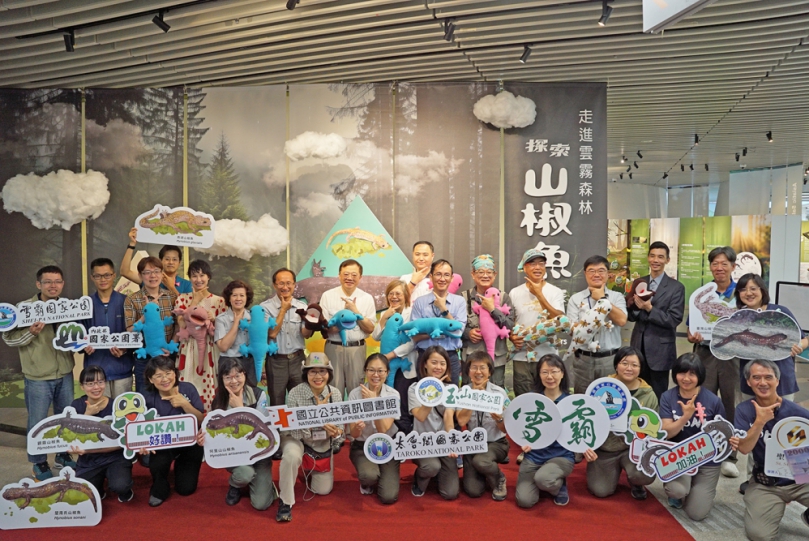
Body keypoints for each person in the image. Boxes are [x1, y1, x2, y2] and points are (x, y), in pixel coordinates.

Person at [3, 265, 76, 480]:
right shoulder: (24, 308)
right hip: (37, 377)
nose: (53, 286)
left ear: (62, 284)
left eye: (57, 281)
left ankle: (63, 455)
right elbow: (9, 338)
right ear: (38, 284)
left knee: (66, 418)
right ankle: (38, 462)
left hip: (65, 372)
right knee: (38, 421)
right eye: (48, 282)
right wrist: (30, 333)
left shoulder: (68, 307)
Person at [735, 359, 809, 541]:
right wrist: (760, 421)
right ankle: (764, 504)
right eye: (756, 377)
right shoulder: (744, 410)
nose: (763, 382)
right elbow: (744, 448)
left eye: (768, 377)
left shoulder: (798, 413)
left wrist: (800, 472)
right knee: (759, 535)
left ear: (777, 380)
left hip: (799, 478)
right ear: (749, 382)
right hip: (765, 483)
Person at [659, 354, 738, 520]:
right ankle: (680, 490)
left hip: (707, 459)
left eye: (692, 374)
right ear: (675, 374)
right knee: (678, 490)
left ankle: (702, 487)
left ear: (700, 376)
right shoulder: (668, 397)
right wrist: (685, 417)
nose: (686, 378)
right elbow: (667, 432)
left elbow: (722, 433)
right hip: (679, 455)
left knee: (696, 513)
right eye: (682, 373)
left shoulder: (713, 400)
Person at [687, 246, 740, 478]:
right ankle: (703, 448)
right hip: (705, 353)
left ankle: (730, 455)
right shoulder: (702, 293)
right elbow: (691, 329)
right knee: (702, 401)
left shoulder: (742, 293)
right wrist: (692, 336)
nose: (719, 268)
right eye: (715, 263)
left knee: (731, 402)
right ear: (710, 267)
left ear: (733, 266)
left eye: (724, 263)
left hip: (731, 355)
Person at [197, 358, 273, 511]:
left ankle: (262, 483)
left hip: (258, 453)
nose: (234, 381)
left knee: (261, 504)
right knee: (245, 473)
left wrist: (241, 408)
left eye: (237, 375)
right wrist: (204, 438)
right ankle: (236, 484)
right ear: (222, 379)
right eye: (228, 377)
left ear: (244, 375)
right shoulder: (219, 400)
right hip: (234, 454)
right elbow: (214, 431)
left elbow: (262, 430)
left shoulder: (259, 395)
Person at [276, 352, 344, 523]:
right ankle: (285, 501)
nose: (318, 376)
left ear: (329, 373)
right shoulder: (295, 393)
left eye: (322, 371)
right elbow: (293, 429)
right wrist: (316, 418)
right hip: (296, 439)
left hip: (321, 443)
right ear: (305, 373)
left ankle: (309, 468)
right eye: (312, 371)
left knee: (323, 490)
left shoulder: (334, 394)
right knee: (291, 456)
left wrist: (336, 433)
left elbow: (341, 427)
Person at [516, 354, 591, 508]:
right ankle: (546, 480)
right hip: (534, 456)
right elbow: (520, 427)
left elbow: (579, 432)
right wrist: (523, 442)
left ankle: (557, 484)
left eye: (554, 371)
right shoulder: (531, 399)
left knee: (543, 479)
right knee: (525, 500)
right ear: (539, 374)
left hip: (561, 456)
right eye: (545, 372)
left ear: (562, 373)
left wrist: (585, 447)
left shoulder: (571, 403)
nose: (549, 377)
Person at [586, 346, 657, 500]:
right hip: (605, 448)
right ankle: (609, 471)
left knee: (645, 475)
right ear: (616, 365)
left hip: (631, 450)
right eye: (624, 363)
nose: (629, 368)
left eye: (635, 365)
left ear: (640, 368)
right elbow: (587, 419)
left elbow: (652, 431)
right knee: (600, 491)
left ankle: (635, 481)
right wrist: (587, 446)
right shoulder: (602, 387)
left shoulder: (649, 394)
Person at [141, 355, 205, 507]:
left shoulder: (188, 389)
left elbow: (201, 419)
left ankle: (180, 469)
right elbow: (140, 429)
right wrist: (142, 444)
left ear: (175, 374)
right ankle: (160, 484)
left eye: (168, 373)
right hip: (162, 446)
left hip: (190, 443)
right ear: (151, 379)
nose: (165, 379)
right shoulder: (147, 398)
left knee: (186, 489)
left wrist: (185, 405)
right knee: (157, 463)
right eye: (159, 375)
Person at [626, 241, 685, 399]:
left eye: (660, 257)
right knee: (635, 392)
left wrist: (650, 309)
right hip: (638, 347)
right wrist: (632, 306)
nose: (655, 260)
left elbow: (673, 319)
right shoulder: (639, 283)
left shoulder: (676, 287)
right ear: (648, 258)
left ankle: (659, 423)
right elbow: (631, 317)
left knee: (658, 395)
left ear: (667, 260)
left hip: (661, 351)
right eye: (652, 256)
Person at [734, 273, 805, 401]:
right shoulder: (738, 317)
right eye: (743, 289)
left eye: (753, 288)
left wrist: (799, 346)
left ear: (762, 290)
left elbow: (804, 338)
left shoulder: (780, 312)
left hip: (782, 379)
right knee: (752, 417)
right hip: (752, 380)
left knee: (783, 417)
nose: (748, 293)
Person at [68, 365, 134, 502]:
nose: (96, 387)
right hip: (89, 459)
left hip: (115, 457)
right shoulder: (76, 405)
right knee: (82, 493)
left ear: (105, 383)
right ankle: (99, 489)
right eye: (90, 384)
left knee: (120, 485)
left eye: (100, 382)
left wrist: (90, 449)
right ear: (82, 386)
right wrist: (87, 415)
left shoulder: (117, 405)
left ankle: (125, 489)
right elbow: (72, 436)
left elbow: (125, 440)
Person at [509, 249, 566, 396]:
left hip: (548, 356)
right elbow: (510, 323)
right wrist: (512, 337)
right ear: (524, 268)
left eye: (541, 263)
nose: (537, 267)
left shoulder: (555, 292)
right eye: (532, 263)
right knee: (523, 400)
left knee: (548, 400)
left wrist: (539, 295)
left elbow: (560, 321)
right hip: (522, 356)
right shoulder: (515, 293)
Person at [568, 255, 628, 394]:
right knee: (582, 401)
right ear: (585, 274)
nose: (596, 274)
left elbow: (621, 320)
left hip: (610, 359)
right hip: (583, 360)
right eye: (591, 271)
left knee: (610, 400)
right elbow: (572, 330)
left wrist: (602, 299)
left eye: (601, 270)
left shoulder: (616, 297)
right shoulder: (576, 299)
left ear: (608, 274)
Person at [456, 351, 509, 501]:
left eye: (482, 368)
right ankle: (484, 472)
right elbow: (461, 422)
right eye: (474, 368)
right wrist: (472, 400)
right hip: (473, 444)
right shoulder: (462, 392)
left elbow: (506, 429)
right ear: (468, 371)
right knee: (473, 490)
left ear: (490, 372)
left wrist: (499, 420)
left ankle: (499, 478)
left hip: (496, 443)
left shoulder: (499, 394)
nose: (478, 372)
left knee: (481, 461)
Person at [348, 353, 400, 504]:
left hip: (387, 445)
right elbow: (354, 433)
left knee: (388, 497)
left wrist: (374, 404)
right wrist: (357, 427)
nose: (375, 375)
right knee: (369, 476)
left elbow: (383, 430)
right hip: (362, 445)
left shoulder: (393, 395)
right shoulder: (354, 395)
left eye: (380, 371)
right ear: (365, 371)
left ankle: (384, 474)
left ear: (387, 373)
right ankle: (366, 482)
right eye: (371, 370)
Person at [319, 259, 376, 398]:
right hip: (334, 348)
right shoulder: (327, 296)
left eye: (354, 275)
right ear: (339, 275)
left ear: (360, 277)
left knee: (357, 390)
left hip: (357, 349)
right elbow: (324, 329)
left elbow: (370, 329)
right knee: (332, 390)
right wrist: (342, 321)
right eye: (346, 274)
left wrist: (355, 312)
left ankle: (357, 421)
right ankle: (334, 421)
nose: (349, 278)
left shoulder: (367, 298)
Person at [408, 346, 459, 500]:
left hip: (442, 442)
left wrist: (451, 441)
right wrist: (434, 393)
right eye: (434, 363)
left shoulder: (451, 389)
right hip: (422, 442)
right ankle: (420, 477)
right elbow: (420, 416)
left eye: (442, 364)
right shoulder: (414, 388)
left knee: (450, 494)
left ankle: (437, 474)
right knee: (432, 466)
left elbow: (449, 417)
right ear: (425, 364)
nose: (438, 367)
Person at [174, 259, 226, 410]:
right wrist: (195, 301)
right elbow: (182, 324)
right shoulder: (182, 299)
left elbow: (222, 331)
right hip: (188, 348)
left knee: (211, 384)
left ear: (208, 277)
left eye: (202, 275)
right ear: (189, 278)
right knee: (187, 381)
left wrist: (213, 319)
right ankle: (188, 418)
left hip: (210, 349)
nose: (198, 280)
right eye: (194, 276)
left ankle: (210, 419)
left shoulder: (219, 301)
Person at [123, 256, 177, 392]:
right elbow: (130, 330)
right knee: (144, 397)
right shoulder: (132, 299)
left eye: (157, 271)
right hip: (144, 357)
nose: (153, 276)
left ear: (162, 274)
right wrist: (147, 313)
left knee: (169, 396)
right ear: (141, 275)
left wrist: (171, 346)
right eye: (147, 272)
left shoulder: (171, 297)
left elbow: (178, 326)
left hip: (167, 355)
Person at [82, 258, 134, 399]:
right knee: (99, 417)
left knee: (123, 415)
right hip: (95, 373)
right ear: (92, 277)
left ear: (114, 275)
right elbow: (79, 335)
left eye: (107, 275)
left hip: (122, 370)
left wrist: (125, 348)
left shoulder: (127, 302)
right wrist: (83, 346)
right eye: (98, 276)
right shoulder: (85, 304)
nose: (102, 279)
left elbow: (135, 333)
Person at [460, 255, 514, 388]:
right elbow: (455, 326)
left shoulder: (504, 298)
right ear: (473, 274)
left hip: (496, 359)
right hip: (471, 358)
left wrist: (492, 309)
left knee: (495, 393)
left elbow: (510, 325)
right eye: (480, 272)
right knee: (469, 394)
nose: (485, 275)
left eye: (489, 272)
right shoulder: (463, 298)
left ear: (494, 275)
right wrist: (468, 333)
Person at [372, 279, 418, 433]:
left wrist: (390, 356)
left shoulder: (411, 313)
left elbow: (412, 342)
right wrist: (384, 317)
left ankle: (404, 439)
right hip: (388, 367)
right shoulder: (388, 313)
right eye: (390, 293)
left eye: (398, 293)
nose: (394, 297)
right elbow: (375, 336)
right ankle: (391, 435)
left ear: (405, 295)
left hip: (405, 365)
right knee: (389, 401)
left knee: (403, 404)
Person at [411, 260, 467, 385]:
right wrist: (439, 332)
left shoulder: (460, 302)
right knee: (425, 396)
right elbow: (415, 335)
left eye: (446, 275)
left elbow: (458, 331)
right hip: (425, 357)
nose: (442, 279)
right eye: (438, 274)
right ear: (431, 277)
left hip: (450, 357)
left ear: (452, 278)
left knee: (449, 399)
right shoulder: (420, 302)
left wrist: (443, 309)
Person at [261, 268, 313, 405]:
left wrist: (312, 323)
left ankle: (302, 427)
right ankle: (278, 428)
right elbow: (271, 333)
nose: (285, 287)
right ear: (274, 285)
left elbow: (306, 335)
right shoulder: (265, 308)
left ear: (294, 285)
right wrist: (283, 309)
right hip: (276, 361)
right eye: (281, 283)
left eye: (289, 283)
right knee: (276, 402)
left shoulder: (302, 306)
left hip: (298, 360)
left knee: (302, 402)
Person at [120, 227, 192, 295]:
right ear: (160, 260)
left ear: (179, 262)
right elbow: (125, 272)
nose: (171, 262)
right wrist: (132, 244)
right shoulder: (150, 278)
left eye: (174, 259)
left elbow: (187, 306)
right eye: (167, 259)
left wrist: (171, 287)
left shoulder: (187, 284)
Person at [215, 280, 255, 384]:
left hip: (249, 362)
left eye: (242, 295)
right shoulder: (221, 319)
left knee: (250, 395)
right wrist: (236, 322)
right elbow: (223, 347)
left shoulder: (254, 317)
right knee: (228, 396)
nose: (238, 299)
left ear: (247, 297)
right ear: (229, 297)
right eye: (234, 295)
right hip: (228, 361)